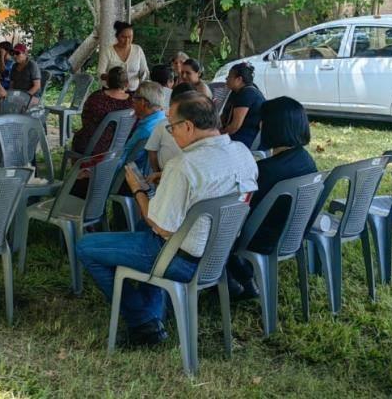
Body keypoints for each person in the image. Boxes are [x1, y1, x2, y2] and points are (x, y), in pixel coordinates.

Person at [76, 94, 258, 346]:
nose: (171, 133)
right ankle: (154, 309)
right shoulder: (243, 153)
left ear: (188, 126)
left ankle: (142, 321)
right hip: (218, 254)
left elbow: (159, 225)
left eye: (171, 126)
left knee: (86, 247)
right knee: (141, 230)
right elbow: (212, 186)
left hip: (181, 259)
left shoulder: (184, 166)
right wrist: (168, 179)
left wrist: (138, 189)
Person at [226, 96, 317, 298]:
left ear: (271, 126)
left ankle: (238, 280)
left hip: (263, 238)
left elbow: (240, 210)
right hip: (292, 232)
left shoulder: (266, 171)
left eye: (262, 120)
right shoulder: (306, 160)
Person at [71, 66, 133, 155]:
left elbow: (85, 120)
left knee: (79, 137)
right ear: (127, 83)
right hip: (121, 146)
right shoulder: (133, 101)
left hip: (94, 147)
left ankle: (79, 167)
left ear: (107, 82)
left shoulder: (97, 98)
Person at [145, 82, 195, 182]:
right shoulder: (162, 125)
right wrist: (156, 172)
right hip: (164, 175)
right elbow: (152, 151)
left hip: (184, 176)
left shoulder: (196, 127)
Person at [121, 81, 168, 173]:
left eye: (134, 98)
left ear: (143, 102)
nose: (132, 102)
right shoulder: (163, 120)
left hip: (128, 177)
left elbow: (122, 159)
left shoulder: (145, 130)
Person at [221, 62, 265, 148]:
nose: (226, 78)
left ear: (239, 79)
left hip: (247, 138)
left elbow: (235, 126)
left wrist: (218, 134)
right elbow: (223, 116)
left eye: (229, 76)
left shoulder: (248, 93)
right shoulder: (236, 91)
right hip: (238, 134)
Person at [99, 21, 149, 91]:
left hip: (133, 91)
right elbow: (100, 73)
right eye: (123, 37)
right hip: (111, 91)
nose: (127, 40)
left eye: (130, 37)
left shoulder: (138, 50)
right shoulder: (108, 51)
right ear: (117, 36)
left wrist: (142, 78)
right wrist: (113, 78)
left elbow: (144, 71)